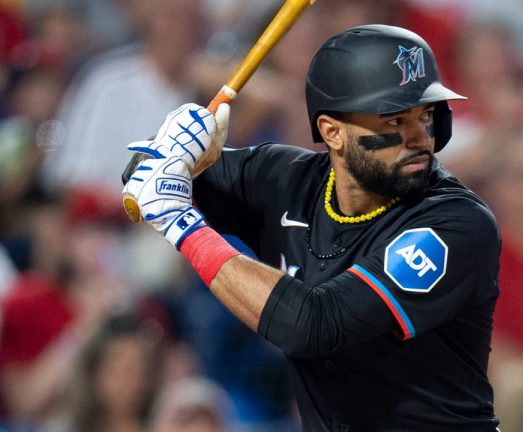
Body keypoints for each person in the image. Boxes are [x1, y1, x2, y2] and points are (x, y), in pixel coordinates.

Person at [121, 24, 501, 431]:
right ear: (332, 132)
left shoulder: (455, 223)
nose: (418, 138)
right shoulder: (284, 179)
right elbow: (141, 172)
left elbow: (314, 325)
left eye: (425, 116)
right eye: (394, 121)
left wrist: (183, 226)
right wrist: (177, 147)